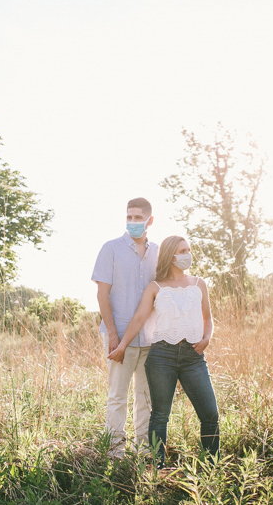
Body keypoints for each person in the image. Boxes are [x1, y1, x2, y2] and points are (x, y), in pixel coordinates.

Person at [107, 235, 219, 468]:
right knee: (159, 415)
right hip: (161, 357)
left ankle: (210, 467)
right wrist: (122, 346)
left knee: (210, 414)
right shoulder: (156, 287)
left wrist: (207, 338)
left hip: (194, 357)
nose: (187, 255)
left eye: (188, 250)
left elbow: (208, 317)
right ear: (170, 255)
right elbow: (139, 318)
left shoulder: (199, 284)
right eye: (182, 251)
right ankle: (157, 468)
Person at [91, 197, 159, 458]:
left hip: (150, 337)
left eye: (138, 218)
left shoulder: (157, 252)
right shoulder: (111, 249)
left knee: (145, 396)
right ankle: (114, 450)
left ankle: (143, 449)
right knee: (117, 395)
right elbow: (102, 294)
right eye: (129, 217)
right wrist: (113, 334)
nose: (133, 222)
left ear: (149, 221)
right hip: (118, 335)